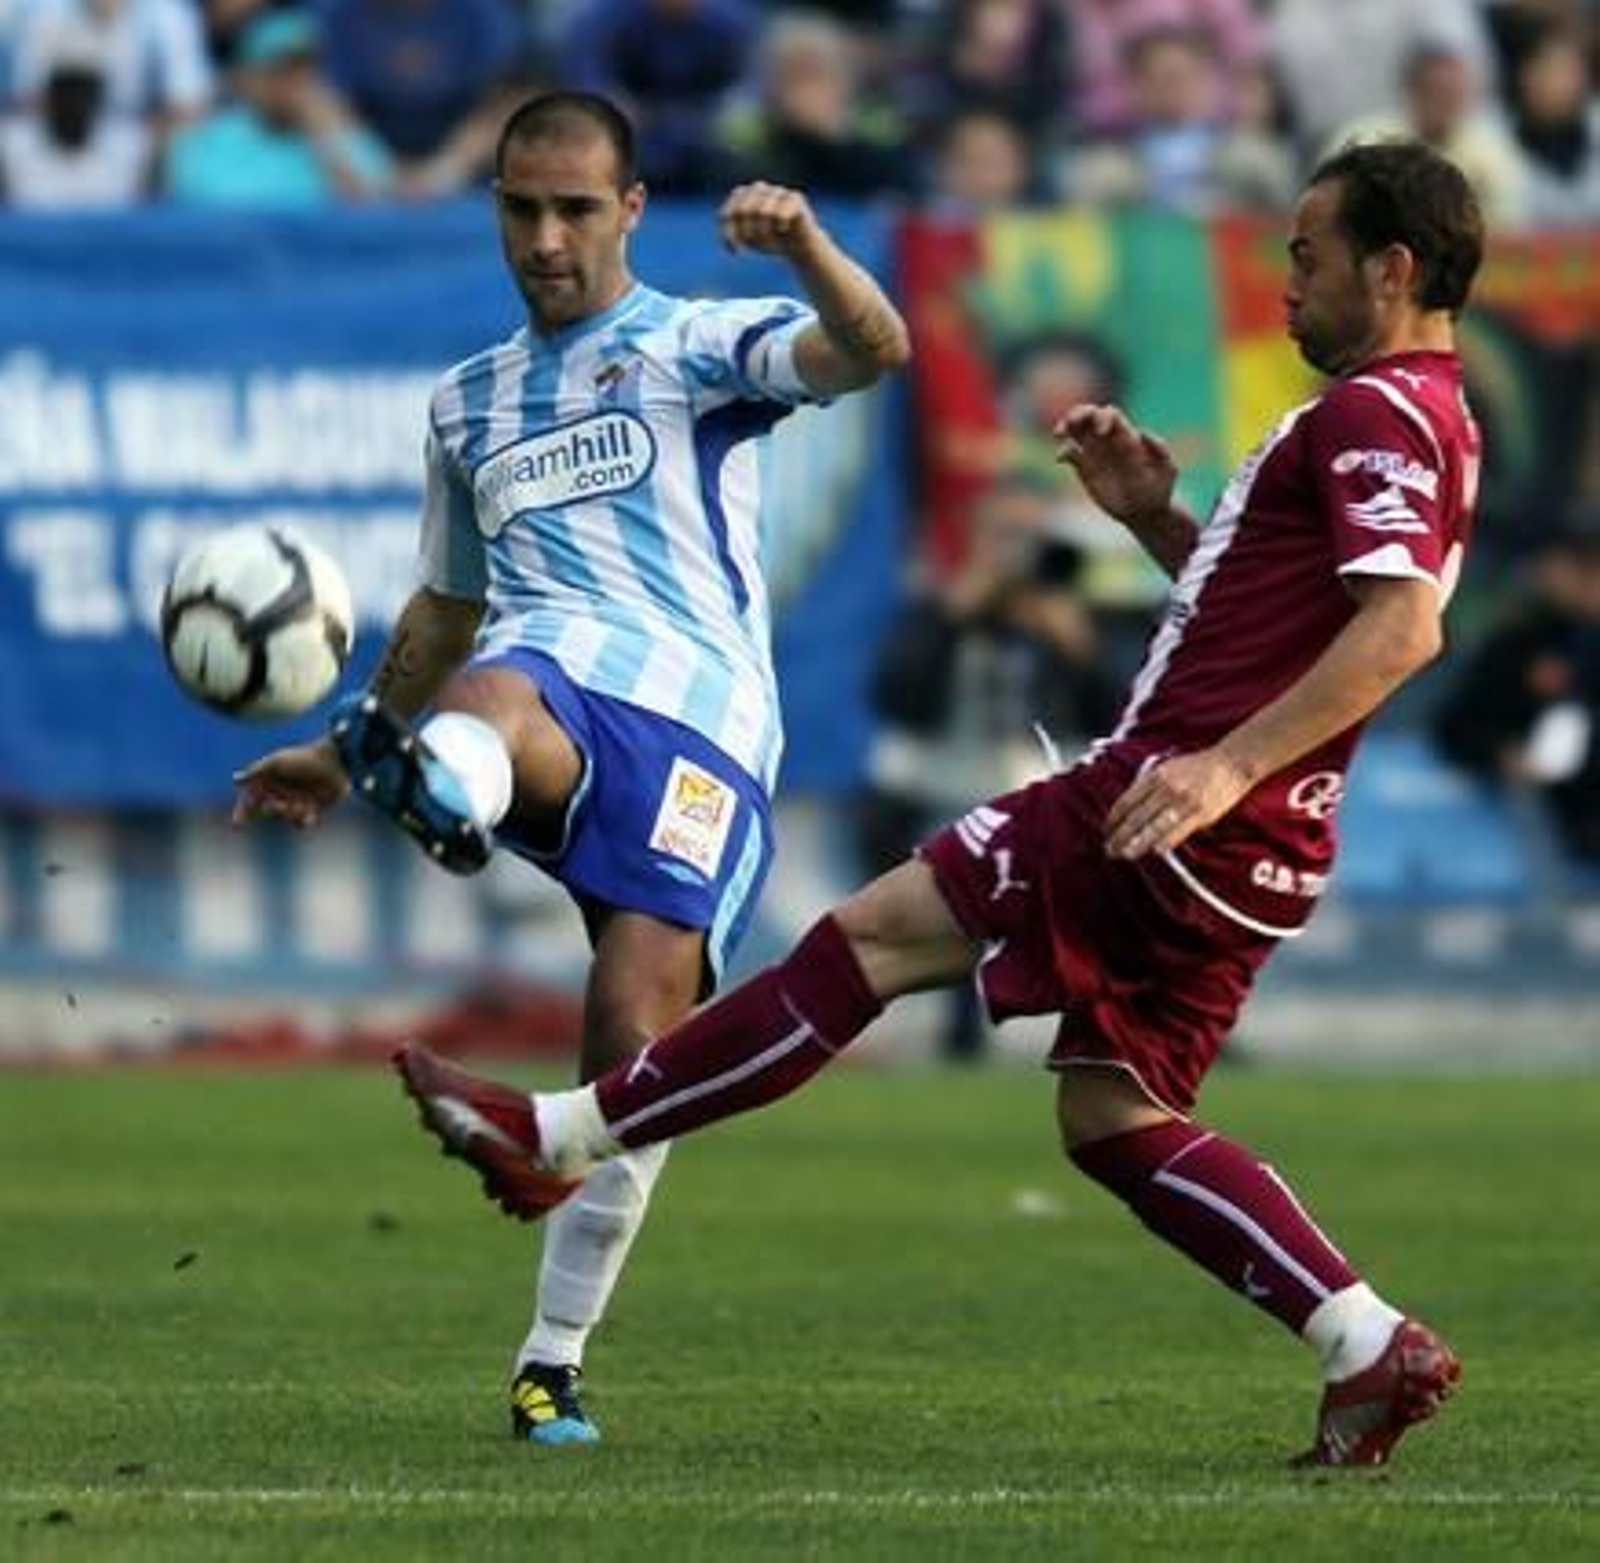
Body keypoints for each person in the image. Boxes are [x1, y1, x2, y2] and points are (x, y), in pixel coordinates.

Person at [392, 138, 1485, 1468]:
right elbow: (1284, 612)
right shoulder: (1424, 415)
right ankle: (1365, 1342)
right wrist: (1155, 522)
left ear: (1394, 267)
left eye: (1308, 258)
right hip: (1247, 848)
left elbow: (1402, 631)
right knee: (1112, 1115)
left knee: (867, 941)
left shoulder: (1377, 414)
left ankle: (561, 1131)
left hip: (1171, 805)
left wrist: (1221, 767)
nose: (1285, 287)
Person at [232, 89, 909, 1445]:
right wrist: (334, 745)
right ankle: (444, 789)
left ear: (633, 211)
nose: (546, 239)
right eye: (521, 209)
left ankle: (552, 1362)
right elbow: (442, 610)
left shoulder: (693, 346)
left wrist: (806, 247)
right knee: (505, 681)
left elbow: (873, 349)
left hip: (703, 721)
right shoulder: (466, 404)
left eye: (575, 210)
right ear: (495, 208)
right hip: (541, 687)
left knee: (630, 1051)